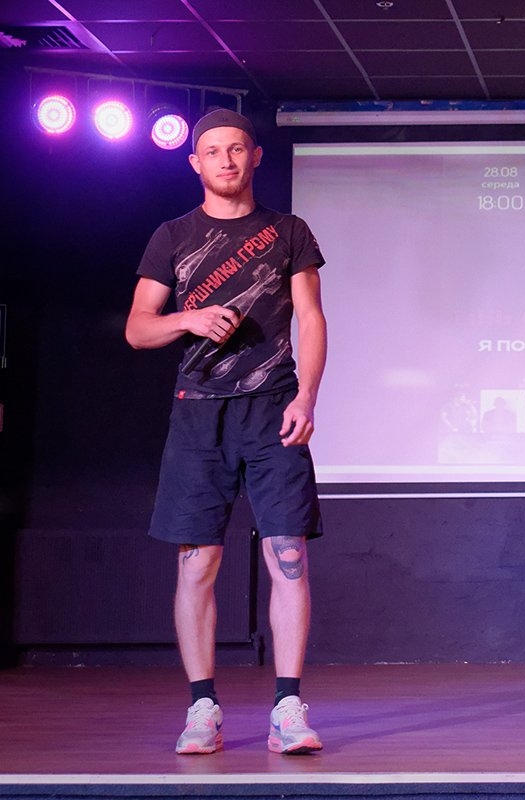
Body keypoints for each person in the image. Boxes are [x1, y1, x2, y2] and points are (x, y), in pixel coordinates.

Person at [125, 108, 328, 756]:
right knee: (198, 563)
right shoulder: (173, 236)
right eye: (213, 151)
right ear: (196, 163)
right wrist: (188, 319)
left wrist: (307, 395)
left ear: (254, 156)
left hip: (273, 410)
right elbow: (138, 328)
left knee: (288, 556)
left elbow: (311, 317)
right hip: (198, 413)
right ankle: (202, 709)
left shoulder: (288, 231)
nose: (226, 160)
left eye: (237, 149)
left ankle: (288, 708)